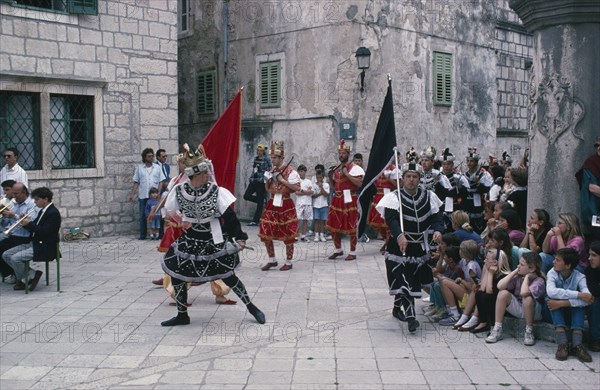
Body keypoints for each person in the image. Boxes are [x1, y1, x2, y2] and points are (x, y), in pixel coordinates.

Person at [160, 146, 264, 326]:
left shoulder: (216, 192)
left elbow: (230, 217)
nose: (209, 174)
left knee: (227, 275)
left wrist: (239, 237)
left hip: (212, 238)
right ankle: (182, 314)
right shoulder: (179, 190)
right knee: (177, 273)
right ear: (196, 173)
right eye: (205, 172)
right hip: (191, 237)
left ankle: (251, 306)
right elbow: (170, 211)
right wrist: (182, 220)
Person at [152, 150, 236, 305]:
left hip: (207, 228)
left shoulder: (203, 183)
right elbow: (169, 203)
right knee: (182, 262)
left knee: (216, 257)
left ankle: (220, 293)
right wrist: (179, 219)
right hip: (186, 228)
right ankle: (176, 293)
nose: (182, 165)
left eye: (184, 163)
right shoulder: (177, 182)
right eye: (180, 163)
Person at [376, 158, 444, 333]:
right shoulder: (393, 197)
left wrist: (437, 230)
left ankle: (397, 308)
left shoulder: (429, 196)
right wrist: (399, 235)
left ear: (419, 178)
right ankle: (411, 317)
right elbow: (391, 219)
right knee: (404, 279)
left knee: (412, 278)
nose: (411, 179)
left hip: (419, 245)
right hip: (398, 246)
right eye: (408, 176)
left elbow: (437, 217)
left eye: (414, 176)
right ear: (403, 178)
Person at [2, 187, 61, 291]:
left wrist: (29, 223)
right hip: (35, 243)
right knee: (6, 255)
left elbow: (44, 232)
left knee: (15, 258)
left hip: (44, 246)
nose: (35, 202)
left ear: (45, 199)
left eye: (37, 199)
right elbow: (35, 228)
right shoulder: (42, 211)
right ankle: (30, 275)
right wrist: (24, 221)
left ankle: (26, 279)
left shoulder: (53, 213)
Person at [486, 252, 546, 345]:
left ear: (532, 269)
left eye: (522, 265)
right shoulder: (518, 276)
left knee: (527, 298)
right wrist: (514, 271)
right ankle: (497, 328)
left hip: (533, 312)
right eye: (519, 263)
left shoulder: (539, 281)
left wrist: (527, 278)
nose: (518, 266)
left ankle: (529, 331)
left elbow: (524, 293)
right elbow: (500, 286)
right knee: (502, 293)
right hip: (520, 308)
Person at [259, 141, 300, 271]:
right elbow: (268, 189)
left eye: (275, 158)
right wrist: (268, 181)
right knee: (266, 230)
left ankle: (289, 261)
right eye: (271, 158)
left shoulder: (291, 172)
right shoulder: (271, 171)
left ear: (282, 158)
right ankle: (272, 259)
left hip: (285, 203)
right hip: (272, 203)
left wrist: (282, 180)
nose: (273, 160)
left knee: (288, 233)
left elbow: (296, 188)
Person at [546, 248, 593, 362]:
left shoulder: (579, 276)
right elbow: (551, 292)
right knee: (553, 299)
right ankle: (563, 344)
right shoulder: (552, 273)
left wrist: (562, 303)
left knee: (579, 306)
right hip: (551, 312)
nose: (554, 262)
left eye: (557, 260)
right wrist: (578, 294)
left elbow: (588, 298)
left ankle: (577, 345)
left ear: (567, 265)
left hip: (571, 314)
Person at [327, 140, 365, 261]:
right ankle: (338, 249)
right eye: (340, 153)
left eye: (343, 153)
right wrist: (330, 178)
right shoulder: (337, 168)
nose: (341, 155)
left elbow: (359, 184)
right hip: (337, 199)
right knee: (333, 224)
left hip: (350, 199)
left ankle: (352, 252)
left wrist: (347, 175)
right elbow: (334, 186)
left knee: (351, 225)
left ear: (348, 154)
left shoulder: (355, 168)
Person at [438, 240, 482, 327]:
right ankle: (451, 311)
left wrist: (461, 281)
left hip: (471, 296)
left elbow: (473, 288)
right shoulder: (464, 261)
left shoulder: (471, 266)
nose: (459, 251)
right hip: (465, 291)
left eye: (461, 250)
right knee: (442, 280)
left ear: (465, 252)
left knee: (445, 282)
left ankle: (455, 315)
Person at [0, 183, 37, 283]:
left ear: (24, 192)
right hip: (13, 235)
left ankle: (17, 274)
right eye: (13, 193)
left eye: (16, 194)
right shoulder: (15, 204)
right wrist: (4, 217)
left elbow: (29, 222)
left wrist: (14, 216)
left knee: (4, 250)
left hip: (25, 238)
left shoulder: (32, 204)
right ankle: (10, 273)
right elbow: (8, 224)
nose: (14, 196)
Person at [470, 248, 511, 334]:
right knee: (479, 294)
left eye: (487, 259)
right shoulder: (491, 270)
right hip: (493, 301)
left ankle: (493, 325)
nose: (484, 261)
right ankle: (483, 322)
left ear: (495, 262)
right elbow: (482, 288)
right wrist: (487, 270)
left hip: (505, 306)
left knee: (486, 297)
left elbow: (489, 291)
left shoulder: (504, 275)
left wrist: (491, 273)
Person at [128, 148, 165, 240]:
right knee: (143, 215)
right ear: (145, 157)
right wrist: (132, 194)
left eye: (152, 156)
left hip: (155, 196)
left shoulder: (157, 168)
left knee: (157, 214)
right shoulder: (140, 168)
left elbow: (161, 181)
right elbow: (136, 182)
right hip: (143, 195)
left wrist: (159, 193)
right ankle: (143, 234)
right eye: (149, 156)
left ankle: (159, 234)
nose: (151, 158)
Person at [367, 163, 398, 254]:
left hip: (389, 197)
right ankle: (386, 241)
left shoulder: (394, 168)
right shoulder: (379, 167)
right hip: (379, 197)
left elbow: (399, 185)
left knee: (388, 223)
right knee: (379, 223)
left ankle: (389, 244)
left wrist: (388, 178)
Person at [463, 147, 493, 234]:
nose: (469, 163)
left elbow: (487, 189)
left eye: (471, 161)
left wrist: (478, 183)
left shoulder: (483, 174)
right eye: (468, 161)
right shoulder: (464, 174)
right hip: (467, 204)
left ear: (476, 162)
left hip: (478, 203)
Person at [438, 148, 469, 232]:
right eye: (444, 164)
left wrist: (459, 187)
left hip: (454, 208)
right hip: (441, 208)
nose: (446, 166)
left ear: (452, 165)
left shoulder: (458, 177)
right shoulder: (438, 177)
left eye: (448, 164)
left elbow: (465, 194)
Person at [576, 137, 600, 242]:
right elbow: (593, 188)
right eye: (597, 145)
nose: (599, 148)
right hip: (595, 213)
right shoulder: (592, 162)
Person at [244, 144, 272, 226]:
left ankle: (255, 220)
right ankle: (262, 200)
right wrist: (251, 178)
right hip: (254, 181)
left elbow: (269, 171)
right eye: (258, 150)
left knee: (259, 205)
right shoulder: (256, 159)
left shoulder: (267, 159)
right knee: (246, 196)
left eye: (260, 151)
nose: (259, 152)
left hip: (261, 182)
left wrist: (265, 180)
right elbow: (254, 169)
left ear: (263, 151)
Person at [586, 241, 600, 352]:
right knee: (594, 302)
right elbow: (593, 291)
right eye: (589, 255)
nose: (590, 258)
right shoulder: (590, 270)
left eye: (594, 255)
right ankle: (595, 339)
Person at [295, 165, 314, 241]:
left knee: (305, 220)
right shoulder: (297, 182)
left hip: (307, 203)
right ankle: (296, 235)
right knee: (297, 219)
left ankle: (303, 236)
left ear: (305, 172)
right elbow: (297, 192)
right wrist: (306, 191)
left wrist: (302, 191)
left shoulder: (308, 181)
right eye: (299, 171)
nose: (301, 173)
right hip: (299, 203)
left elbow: (312, 192)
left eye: (302, 171)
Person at [155, 149, 170, 239]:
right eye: (163, 156)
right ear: (158, 157)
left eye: (166, 156)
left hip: (165, 191)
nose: (165, 158)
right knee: (158, 211)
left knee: (164, 212)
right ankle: (158, 232)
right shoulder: (155, 166)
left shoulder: (167, 166)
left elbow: (167, 176)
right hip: (158, 190)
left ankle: (163, 232)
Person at [311, 169, 329, 242]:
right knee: (316, 221)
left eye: (320, 177)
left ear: (323, 178)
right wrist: (320, 193)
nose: (319, 179)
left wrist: (321, 187)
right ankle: (316, 235)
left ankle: (321, 235)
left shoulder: (326, 185)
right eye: (317, 177)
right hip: (316, 205)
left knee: (322, 221)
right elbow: (313, 196)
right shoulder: (313, 185)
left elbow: (326, 194)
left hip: (324, 205)